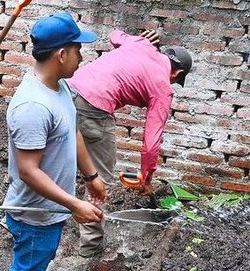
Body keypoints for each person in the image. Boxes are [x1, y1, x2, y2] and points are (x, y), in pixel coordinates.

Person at [3, 12, 106, 271]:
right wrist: (74, 203)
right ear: (62, 54)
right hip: (35, 212)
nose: (83, 56)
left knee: (37, 265)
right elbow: (29, 170)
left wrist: (90, 175)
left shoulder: (59, 88)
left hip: (53, 208)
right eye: (79, 49)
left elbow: (72, 129)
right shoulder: (32, 106)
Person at [68, 30, 193, 257]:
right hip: (94, 107)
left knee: (50, 162)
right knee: (99, 178)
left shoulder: (140, 44)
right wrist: (146, 178)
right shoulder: (163, 87)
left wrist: (141, 37)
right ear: (178, 73)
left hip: (66, 90)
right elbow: (151, 142)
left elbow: (114, 35)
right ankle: (91, 247)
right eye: (176, 78)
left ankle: (25, 221)